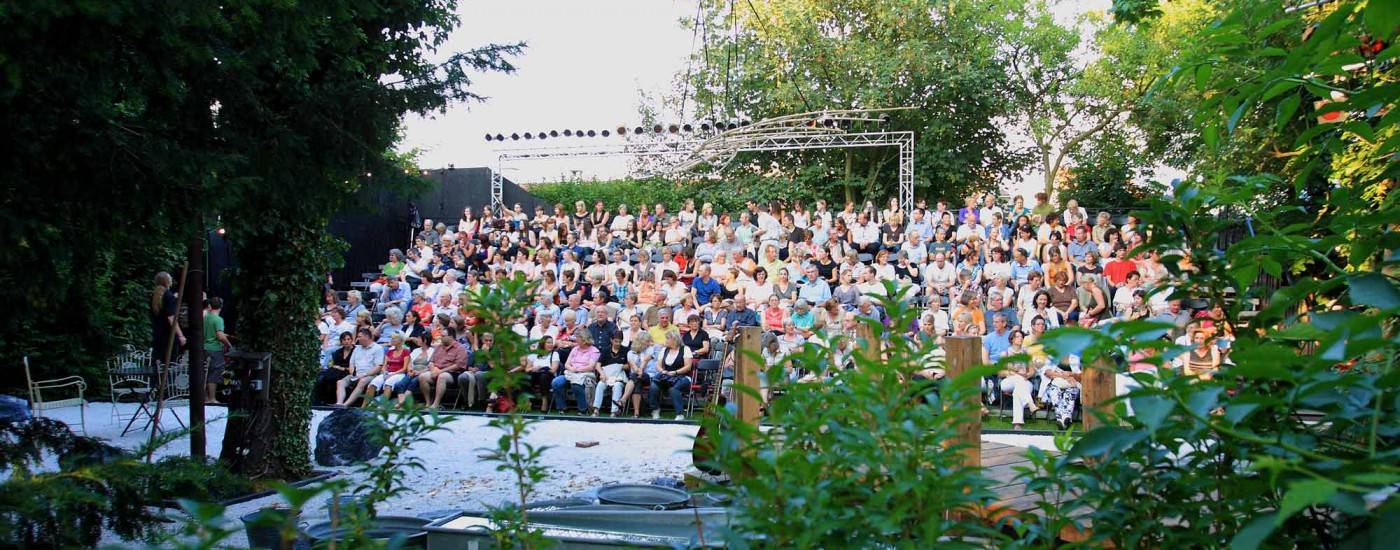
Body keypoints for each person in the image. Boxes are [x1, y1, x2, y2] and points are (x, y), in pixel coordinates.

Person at [418, 330, 469, 409]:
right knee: (422, 377)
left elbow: (458, 365)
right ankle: (428, 402)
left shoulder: (460, 348)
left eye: (443, 336)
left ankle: (435, 404)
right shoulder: (439, 347)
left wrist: (440, 371)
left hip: (452, 373)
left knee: (442, 376)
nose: (440, 338)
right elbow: (431, 361)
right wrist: (433, 370)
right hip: (436, 370)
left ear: (451, 337)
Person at [648, 331, 693, 420]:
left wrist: (676, 372)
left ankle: (680, 414)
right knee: (654, 386)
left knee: (673, 389)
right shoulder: (664, 350)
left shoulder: (685, 349)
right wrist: (662, 371)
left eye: (668, 339)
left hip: (682, 376)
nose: (666, 341)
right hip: (667, 376)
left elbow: (688, 367)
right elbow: (658, 365)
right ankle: (655, 409)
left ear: (674, 340)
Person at [553, 330, 599, 413]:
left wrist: (577, 369)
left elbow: (591, 367)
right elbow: (567, 364)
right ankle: (562, 407)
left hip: (586, 374)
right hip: (571, 372)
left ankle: (583, 409)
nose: (576, 340)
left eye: (578, 338)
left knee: (576, 385)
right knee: (556, 382)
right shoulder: (575, 349)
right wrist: (571, 369)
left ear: (584, 340)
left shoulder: (594, 351)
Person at [592, 333, 629, 416]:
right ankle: (596, 409)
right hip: (606, 375)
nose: (618, 344)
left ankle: (614, 411)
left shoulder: (625, 350)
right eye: (616, 341)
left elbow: (628, 365)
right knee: (600, 385)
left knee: (617, 386)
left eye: (620, 342)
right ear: (611, 340)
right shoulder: (606, 350)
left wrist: (620, 366)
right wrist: (602, 373)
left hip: (619, 376)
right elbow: (598, 365)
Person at [202, 297, 232, 404]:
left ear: (210, 305)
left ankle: (205, 398)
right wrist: (229, 344)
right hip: (215, 349)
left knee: (205, 373)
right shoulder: (218, 319)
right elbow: (219, 336)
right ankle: (212, 399)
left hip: (204, 348)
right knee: (214, 374)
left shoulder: (205, 317)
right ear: (221, 307)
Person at [150, 271, 185, 360]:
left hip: (158, 334)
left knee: (159, 360)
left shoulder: (154, 296)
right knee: (171, 361)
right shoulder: (168, 296)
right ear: (167, 281)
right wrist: (180, 335)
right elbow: (171, 318)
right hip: (169, 336)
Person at [315, 331, 355, 406]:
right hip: (337, 370)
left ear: (352, 340)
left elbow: (355, 367)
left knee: (334, 378)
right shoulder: (338, 352)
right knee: (322, 376)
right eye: (344, 340)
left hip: (348, 371)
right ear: (341, 341)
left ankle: (332, 400)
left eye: (348, 339)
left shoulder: (355, 351)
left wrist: (343, 368)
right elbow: (335, 364)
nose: (346, 341)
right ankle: (320, 400)